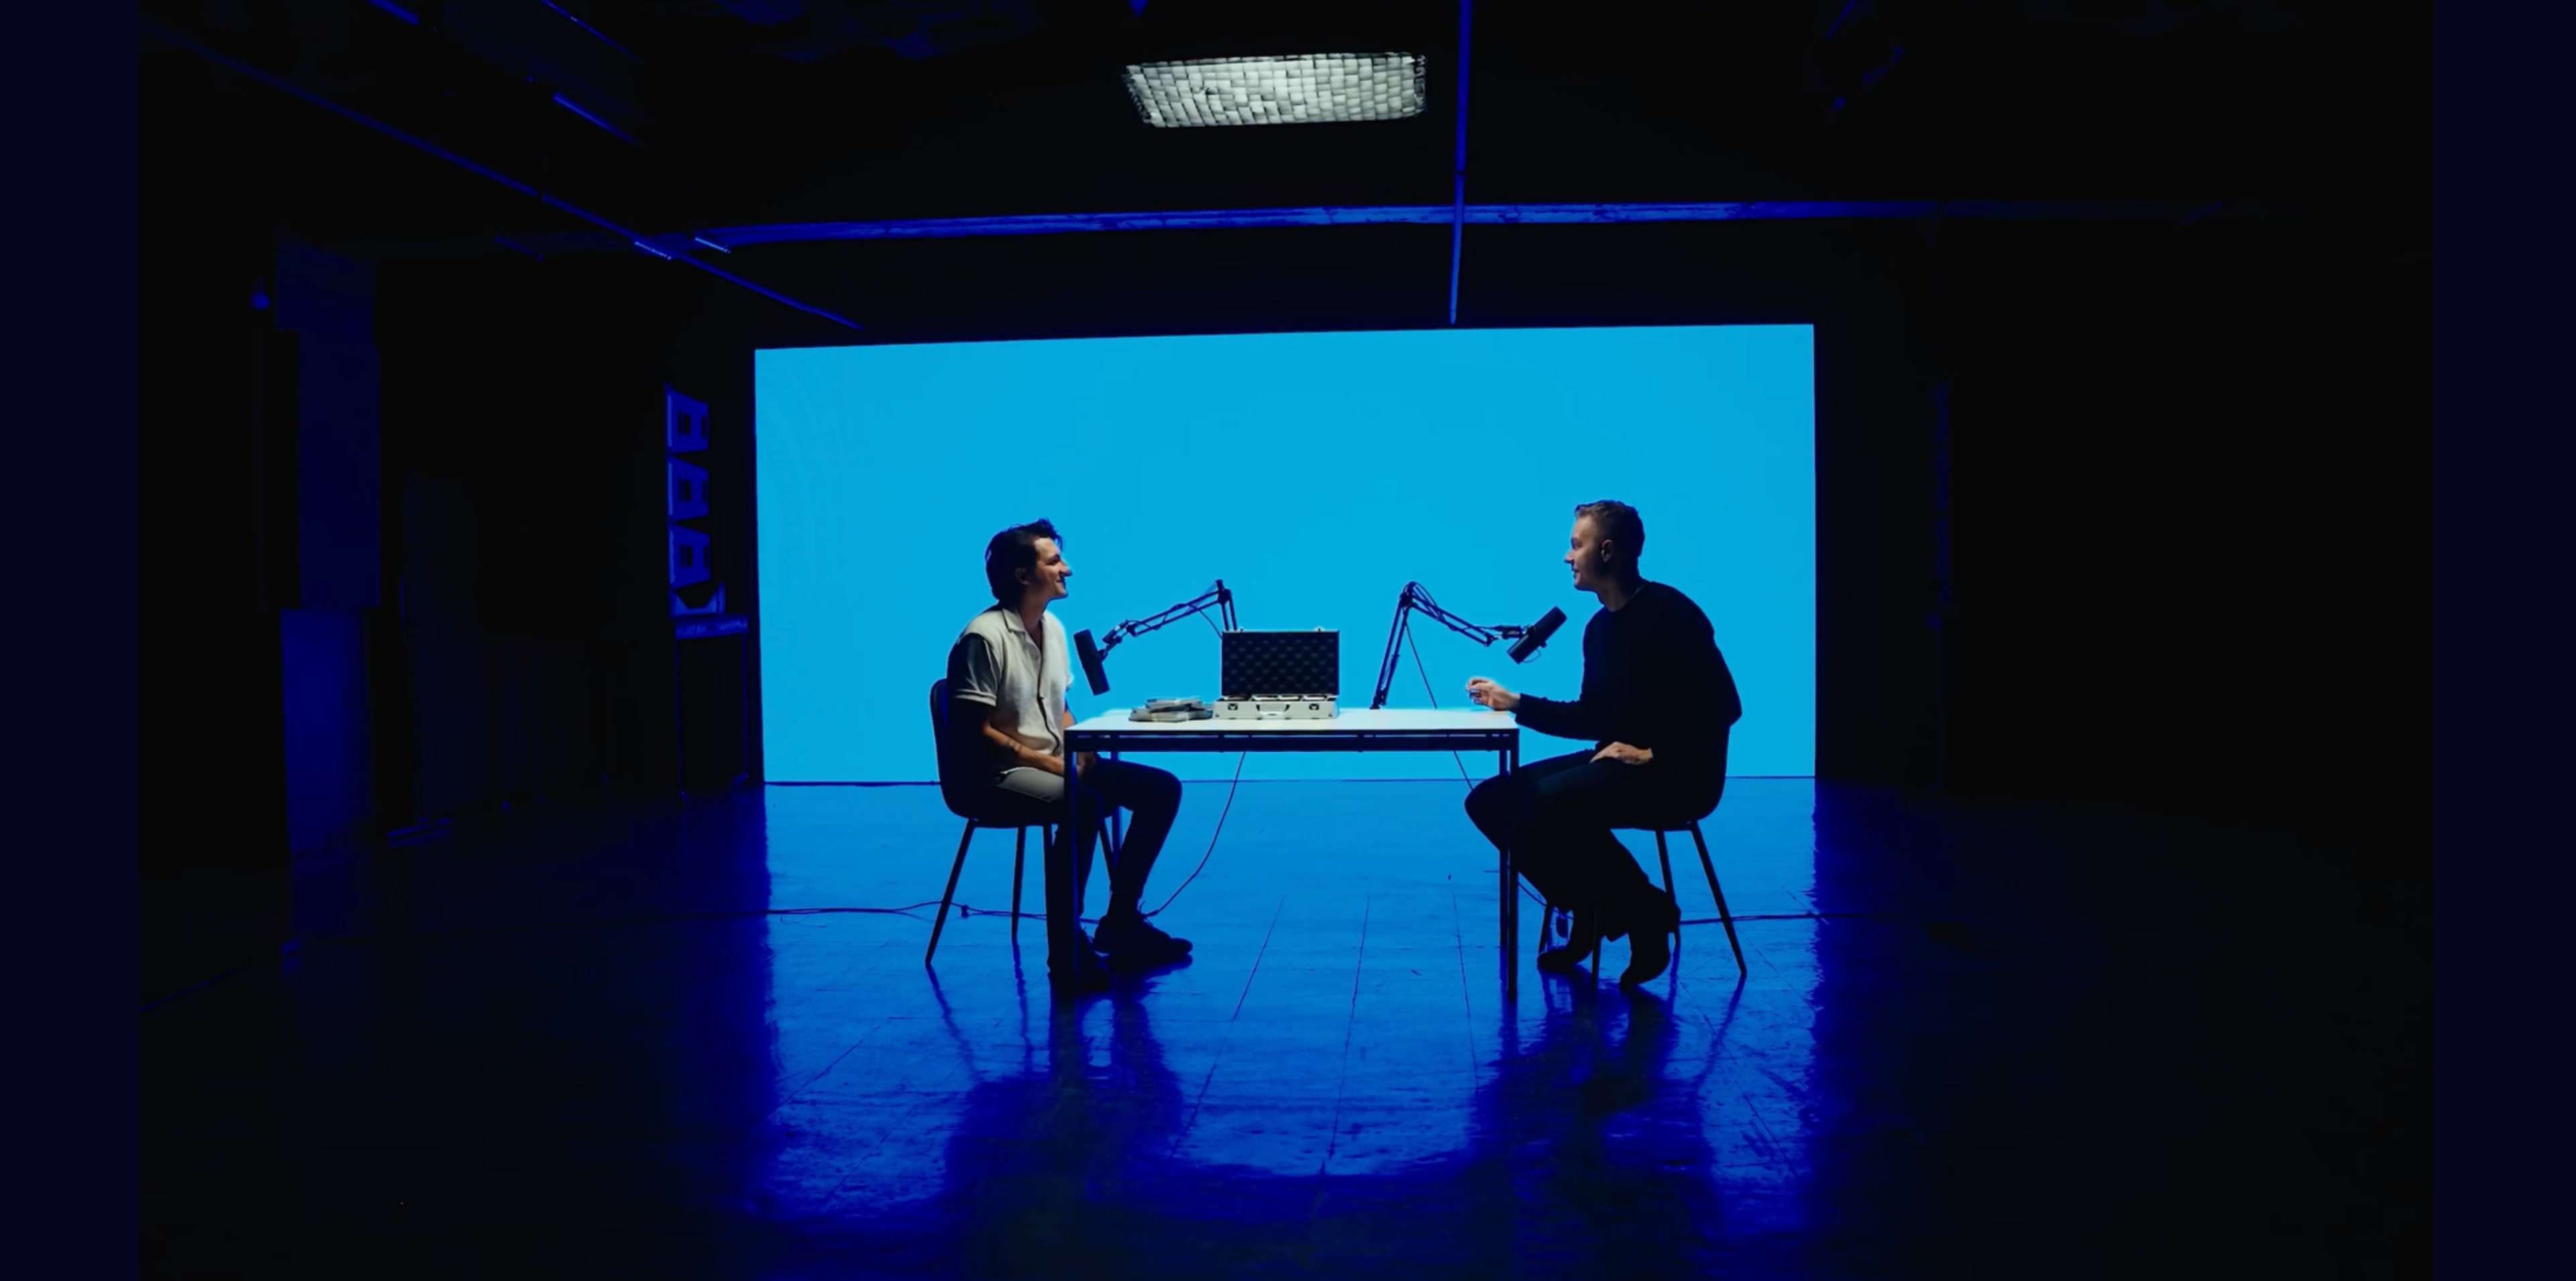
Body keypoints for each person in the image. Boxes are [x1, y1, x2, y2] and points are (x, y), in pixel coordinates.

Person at [1463, 500, 1742, 986]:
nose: (1567, 557)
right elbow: (1592, 716)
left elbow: (1723, 704)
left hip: (1679, 773)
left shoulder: (1672, 612)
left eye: (1576, 544)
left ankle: (1646, 914)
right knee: (1491, 800)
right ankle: (1592, 909)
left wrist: (1654, 753)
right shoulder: (1597, 629)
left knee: (1552, 802)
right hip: (1619, 761)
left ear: (1607, 550)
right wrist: (1515, 702)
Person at [945, 519, 1193, 993]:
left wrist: (1082, 750)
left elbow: (1058, 707)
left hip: (1052, 761)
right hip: (996, 774)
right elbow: (978, 734)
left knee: (1160, 788)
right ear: (1023, 575)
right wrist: (1058, 766)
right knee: (1084, 803)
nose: (1068, 569)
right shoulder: (983, 637)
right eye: (1054, 561)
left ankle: (1121, 921)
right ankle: (1066, 951)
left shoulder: (1054, 629)